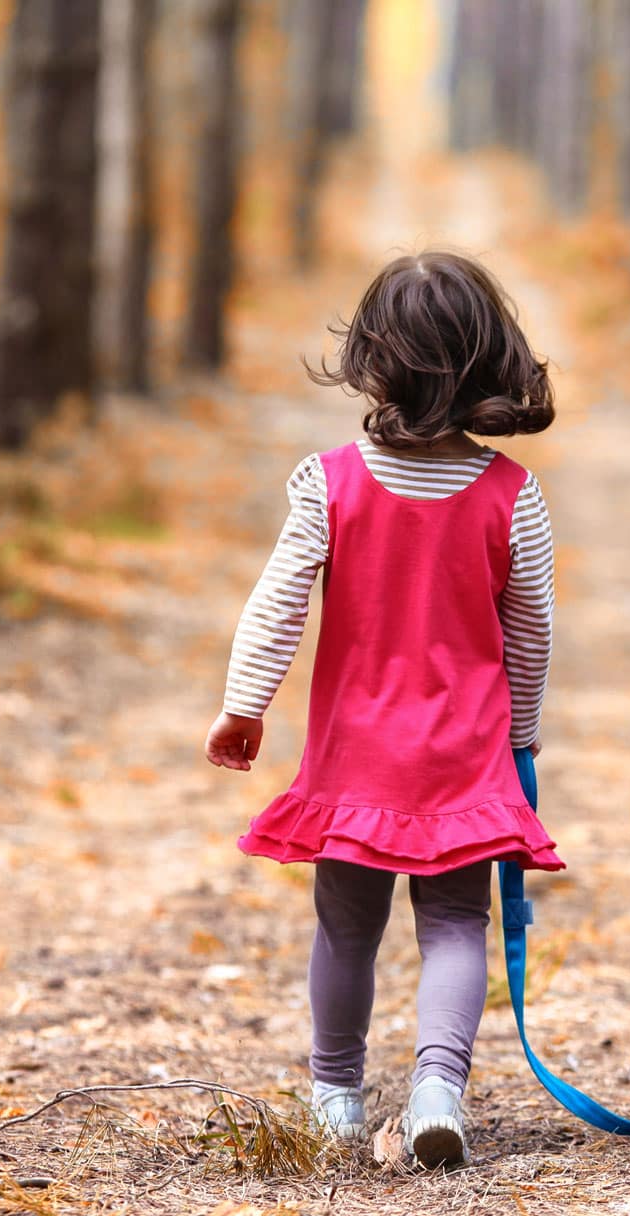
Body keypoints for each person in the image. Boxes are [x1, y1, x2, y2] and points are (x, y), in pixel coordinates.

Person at [205, 250, 562, 1169]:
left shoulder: (328, 483)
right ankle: (439, 1084)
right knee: (454, 926)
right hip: (462, 759)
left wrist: (245, 705)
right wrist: (520, 737)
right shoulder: (512, 497)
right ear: (493, 361)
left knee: (346, 927)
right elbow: (531, 633)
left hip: (355, 757)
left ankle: (334, 1095)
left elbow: (278, 600)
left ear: (374, 358)